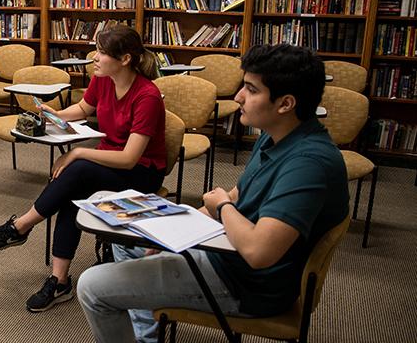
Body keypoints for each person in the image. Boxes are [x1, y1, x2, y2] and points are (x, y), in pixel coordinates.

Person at [76, 44, 349, 343]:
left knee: (92, 286)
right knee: (125, 240)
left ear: (285, 103)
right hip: (228, 253)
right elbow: (237, 194)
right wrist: (170, 231)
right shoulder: (277, 135)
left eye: (251, 89)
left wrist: (221, 208)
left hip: (244, 283)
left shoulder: (308, 164)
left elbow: (259, 251)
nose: (238, 97)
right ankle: (147, 334)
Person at [0, 24, 167, 312]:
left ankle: (20, 226)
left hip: (141, 172)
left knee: (76, 169)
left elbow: (129, 158)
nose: (94, 57)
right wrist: (56, 115)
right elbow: (83, 109)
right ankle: (59, 279)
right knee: (72, 191)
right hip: (108, 163)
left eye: (101, 52)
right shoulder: (103, 79)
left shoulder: (147, 96)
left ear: (125, 59)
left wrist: (78, 153)